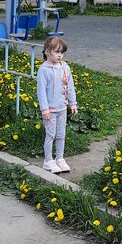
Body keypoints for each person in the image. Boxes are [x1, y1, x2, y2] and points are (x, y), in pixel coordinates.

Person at [37, 35, 78, 173]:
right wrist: (44, 110)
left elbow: (70, 86)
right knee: (51, 135)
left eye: (62, 52)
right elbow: (41, 91)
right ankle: (48, 161)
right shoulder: (44, 70)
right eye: (56, 52)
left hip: (62, 108)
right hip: (50, 110)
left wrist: (73, 103)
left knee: (61, 134)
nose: (60, 55)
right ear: (47, 51)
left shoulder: (65, 67)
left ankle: (60, 158)